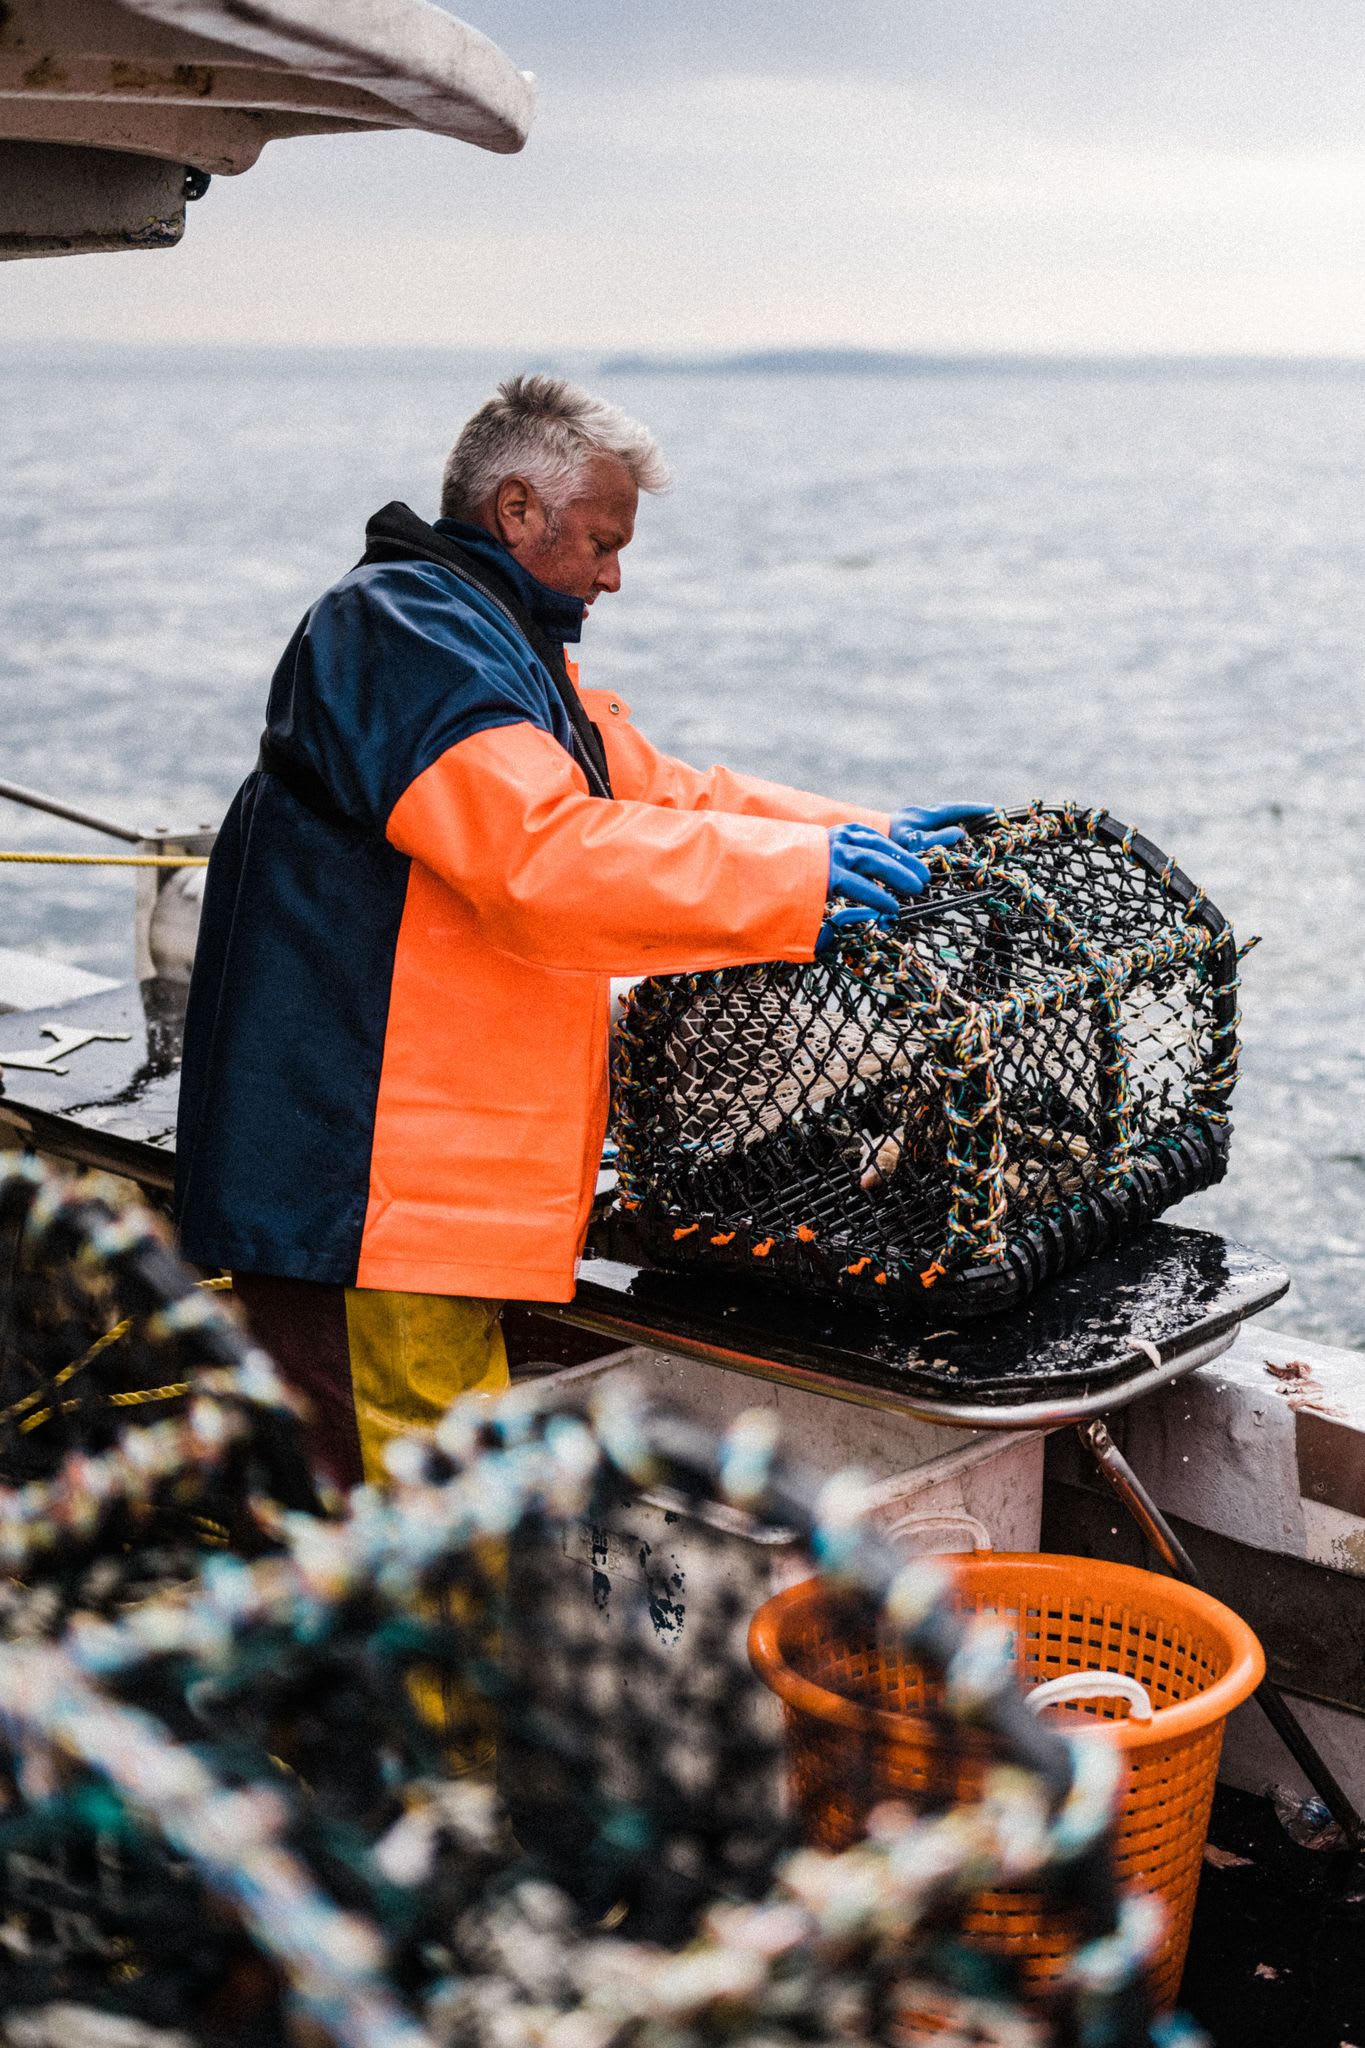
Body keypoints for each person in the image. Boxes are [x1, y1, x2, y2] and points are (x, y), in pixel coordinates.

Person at [175, 375, 986, 1492]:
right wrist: (803, 877)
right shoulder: (400, 630)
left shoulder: (500, 645)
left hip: (425, 1200)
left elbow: (663, 800)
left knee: (438, 1512)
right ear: (518, 509)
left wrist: (866, 832)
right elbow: (540, 855)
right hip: (361, 1195)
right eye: (603, 540)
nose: (615, 572)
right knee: (414, 1526)